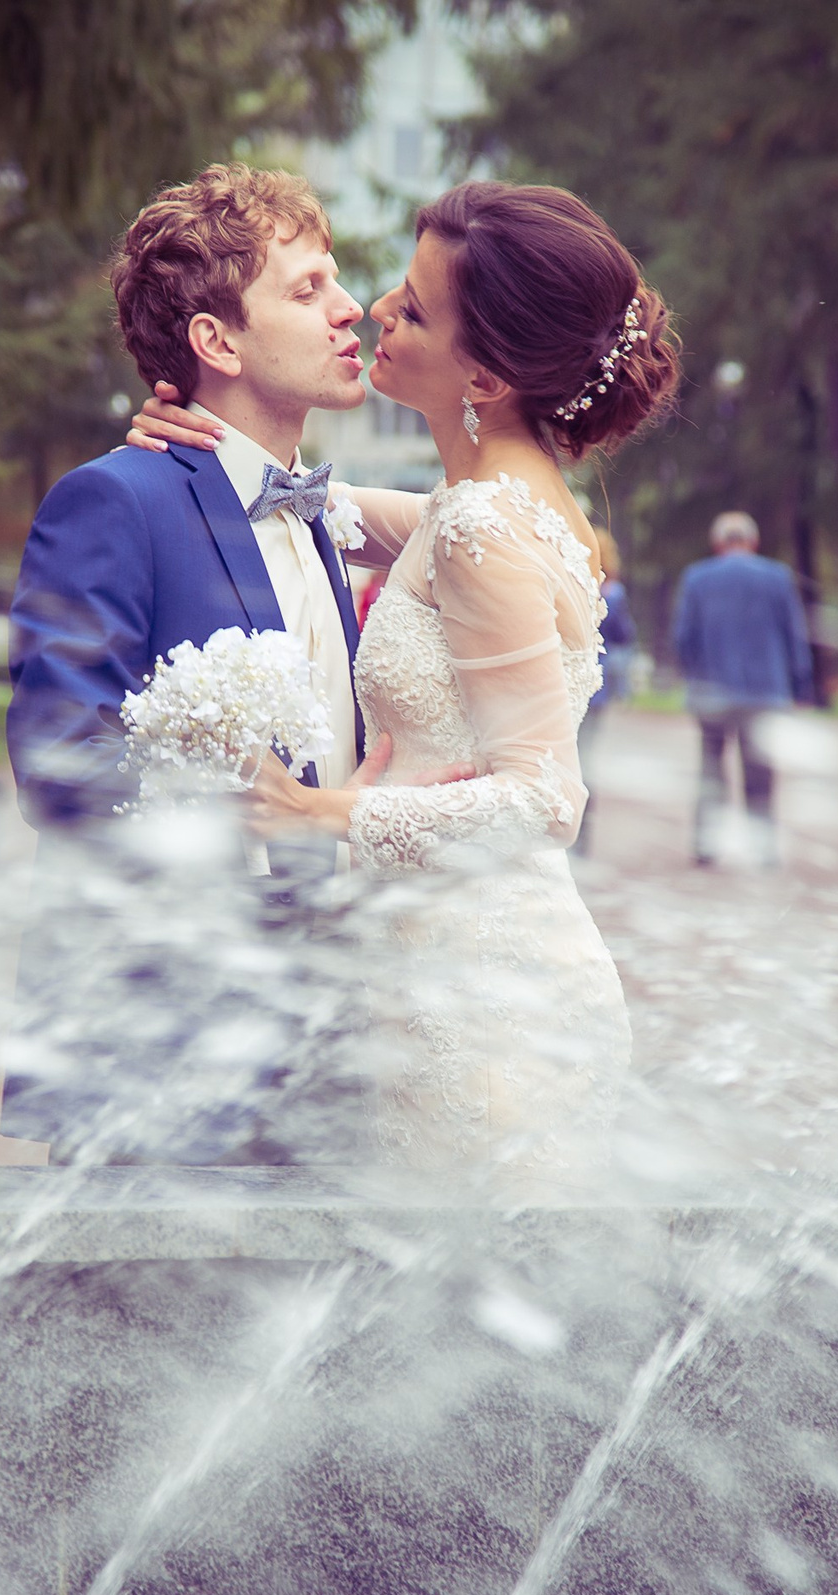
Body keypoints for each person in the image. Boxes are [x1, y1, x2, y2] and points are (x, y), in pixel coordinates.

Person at [128, 181, 680, 1168]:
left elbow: (547, 802)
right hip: (433, 966)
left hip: (481, 996)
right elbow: (307, 505)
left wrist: (323, 815)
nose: (374, 309)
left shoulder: (478, 529)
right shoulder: (486, 506)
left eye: (415, 310)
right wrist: (192, 443)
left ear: (485, 375)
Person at [3, 164, 395, 1164]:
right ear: (216, 341)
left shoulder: (314, 510)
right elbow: (58, 764)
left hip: (323, 1039)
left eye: (335, 280)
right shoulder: (116, 501)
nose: (349, 309)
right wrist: (226, 798)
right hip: (157, 1041)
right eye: (306, 290)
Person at [670, 511, 815, 866]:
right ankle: (762, 849)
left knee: (711, 769)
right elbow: (793, 635)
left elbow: (683, 637)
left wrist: (694, 674)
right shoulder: (777, 578)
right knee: (761, 775)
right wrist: (801, 686)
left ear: (718, 544)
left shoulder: (697, 578)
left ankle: (707, 848)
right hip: (765, 691)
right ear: (753, 542)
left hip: (712, 691)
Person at [572, 525, 635, 857]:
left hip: (566, 681)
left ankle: (565, 833)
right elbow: (624, 637)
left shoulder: (567, 583)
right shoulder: (613, 593)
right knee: (585, 760)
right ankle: (580, 838)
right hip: (595, 686)